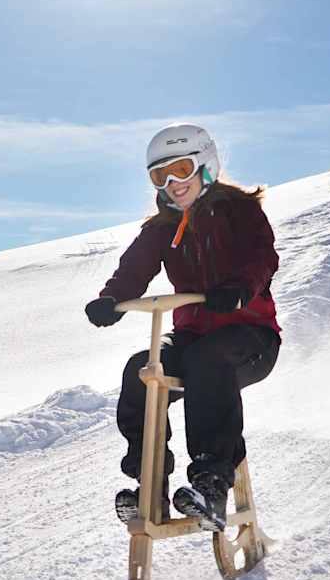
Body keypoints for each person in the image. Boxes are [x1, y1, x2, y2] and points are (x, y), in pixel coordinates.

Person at [84, 123, 281, 528]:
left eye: (182, 170)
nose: (173, 183)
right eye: (161, 176)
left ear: (206, 166)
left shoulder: (241, 212)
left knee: (210, 362)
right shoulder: (161, 228)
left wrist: (240, 289)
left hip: (250, 336)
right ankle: (149, 485)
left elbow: (261, 258)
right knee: (142, 369)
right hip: (192, 338)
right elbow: (134, 269)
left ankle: (211, 483)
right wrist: (111, 299)